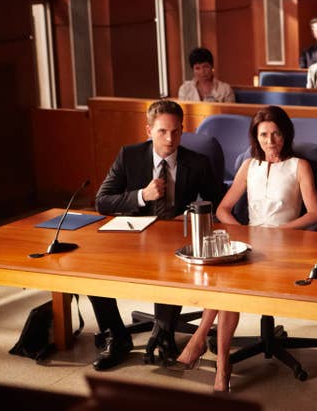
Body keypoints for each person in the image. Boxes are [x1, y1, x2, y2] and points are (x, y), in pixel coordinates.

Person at [169, 106, 317, 392]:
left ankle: (203, 343)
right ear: (256, 137)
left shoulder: (299, 165)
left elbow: (314, 213)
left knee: (228, 285)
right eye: (263, 134)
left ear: (285, 134)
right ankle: (221, 363)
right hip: (250, 244)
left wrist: (277, 232)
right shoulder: (249, 166)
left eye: (276, 133)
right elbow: (224, 209)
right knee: (226, 282)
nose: (270, 140)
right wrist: (243, 230)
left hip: (286, 247)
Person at [91, 100, 224, 371]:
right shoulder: (129, 155)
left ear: (182, 130)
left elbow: (220, 205)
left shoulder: (197, 162)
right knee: (91, 270)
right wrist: (142, 195)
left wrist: (190, 215)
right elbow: (102, 201)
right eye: (163, 131)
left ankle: (163, 334)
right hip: (133, 237)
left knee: (171, 264)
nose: (170, 138)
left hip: (175, 237)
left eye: (176, 132)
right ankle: (116, 336)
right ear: (148, 130)